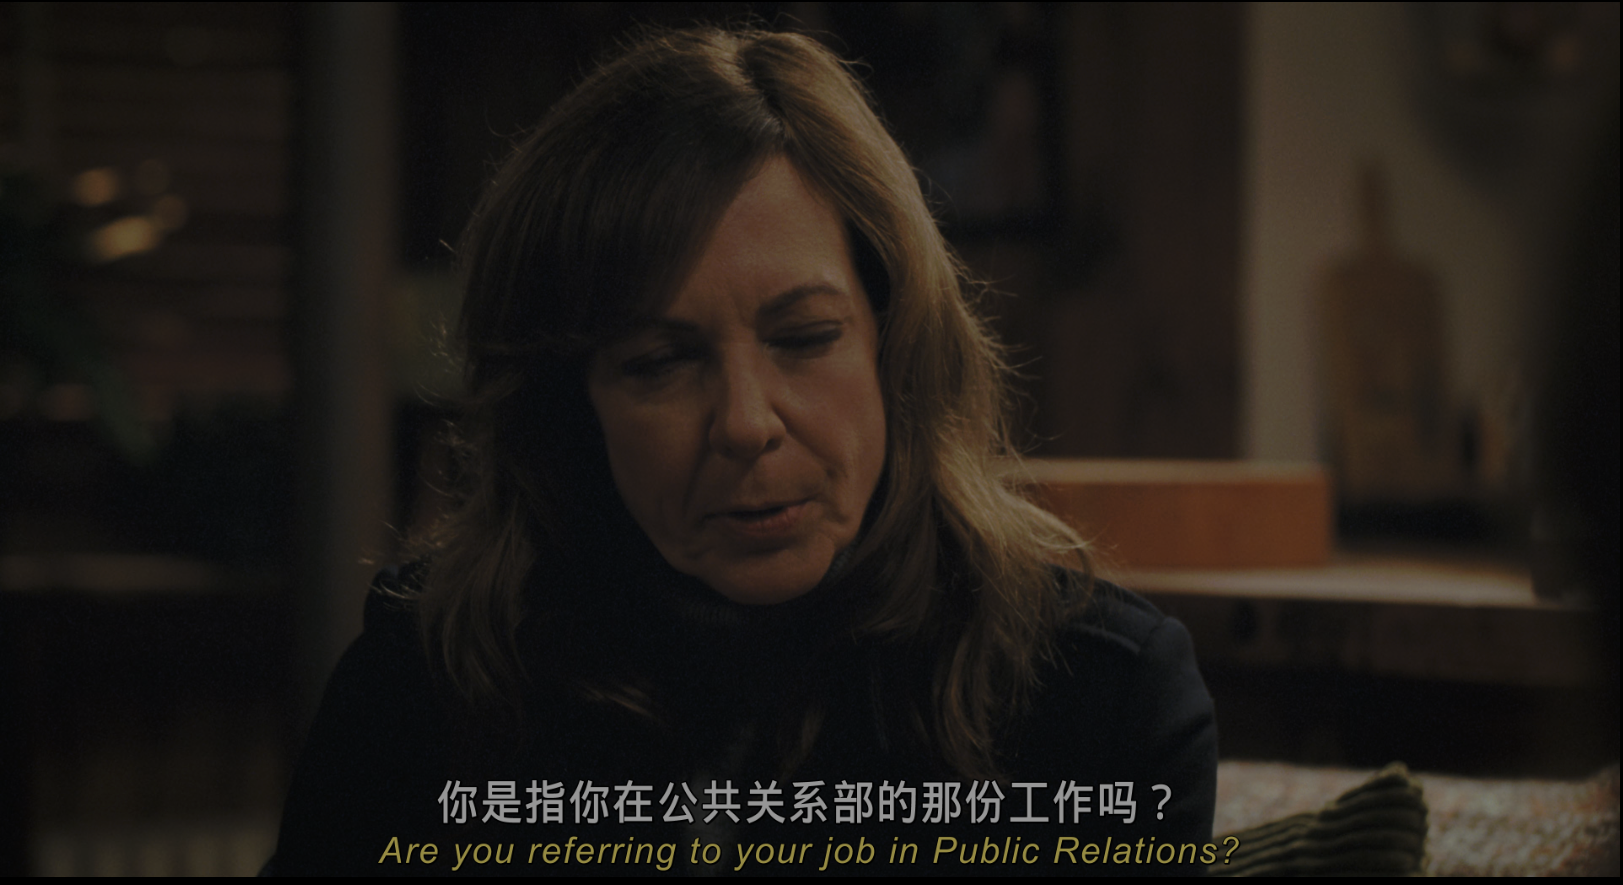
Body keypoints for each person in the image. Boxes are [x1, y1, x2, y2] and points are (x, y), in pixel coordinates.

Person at [273, 26, 1216, 875]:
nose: (745, 422)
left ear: (893, 343)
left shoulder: (1097, 701)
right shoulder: (431, 683)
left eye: (804, 338)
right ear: (569, 405)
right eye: (659, 362)